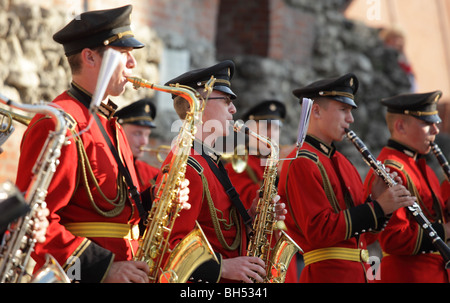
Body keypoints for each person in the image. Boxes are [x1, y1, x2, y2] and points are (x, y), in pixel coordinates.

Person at [14, 5, 190, 283]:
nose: (133, 64)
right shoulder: (59, 122)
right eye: (124, 54)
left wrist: (158, 196)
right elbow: (34, 223)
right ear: (90, 57)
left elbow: (114, 209)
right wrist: (104, 269)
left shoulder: (110, 122)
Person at [278, 73, 416, 283]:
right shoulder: (301, 161)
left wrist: (379, 203)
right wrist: (377, 208)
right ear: (315, 110)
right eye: (343, 110)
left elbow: (363, 238)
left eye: (350, 111)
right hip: (326, 276)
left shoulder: (343, 162)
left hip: (359, 274)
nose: (350, 119)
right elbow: (319, 231)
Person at [161, 60, 286, 283]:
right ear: (197, 105)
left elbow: (218, 230)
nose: (233, 109)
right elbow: (168, 247)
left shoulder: (209, 160)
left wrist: (253, 216)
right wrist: (221, 267)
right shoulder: (188, 165)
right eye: (226, 100)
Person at [363, 91, 450, 282]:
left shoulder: (421, 167)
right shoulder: (391, 169)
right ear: (401, 126)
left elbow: (436, 216)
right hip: (408, 276)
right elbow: (394, 240)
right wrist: (446, 230)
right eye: (427, 124)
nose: (436, 130)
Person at [225, 99, 285, 209]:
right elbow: (247, 204)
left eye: (276, 128)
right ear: (251, 128)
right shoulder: (238, 164)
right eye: (266, 127)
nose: (272, 134)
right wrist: (278, 175)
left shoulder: (284, 157)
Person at [115, 98, 160, 192]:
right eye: (137, 133)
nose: (144, 142)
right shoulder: (111, 167)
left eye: (147, 135)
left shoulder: (151, 171)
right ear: (119, 131)